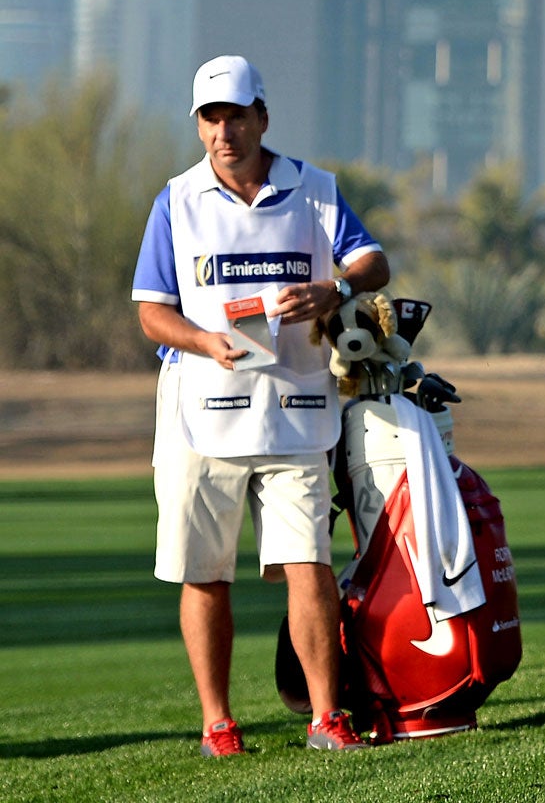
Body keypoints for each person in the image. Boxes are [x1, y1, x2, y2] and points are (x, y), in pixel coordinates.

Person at [133, 56, 391, 754]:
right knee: (204, 570)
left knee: (306, 563)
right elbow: (152, 312)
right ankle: (218, 721)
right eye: (210, 119)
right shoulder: (176, 201)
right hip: (199, 413)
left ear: (262, 118)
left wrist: (334, 290)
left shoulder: (315, 191)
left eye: (236, 116)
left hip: (297, 406)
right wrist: (201, 340)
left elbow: (373, 261)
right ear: (199, 125)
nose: (224, 132)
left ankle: (325, 718)